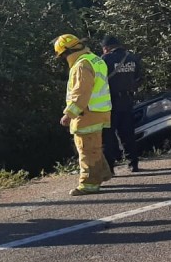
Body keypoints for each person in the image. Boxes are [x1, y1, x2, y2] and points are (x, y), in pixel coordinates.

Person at [53, 34, 113, 196]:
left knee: (86, 149)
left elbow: (81, 93)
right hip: (99, 111)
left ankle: (88, 184)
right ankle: (103, 173)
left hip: (87, 113)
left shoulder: (81, 65)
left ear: (66, 52)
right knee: (93, 146)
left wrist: (69, 114)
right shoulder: (95, 59)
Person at [100, 34, 143, 172]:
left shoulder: (105, 59)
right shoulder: (132, 58)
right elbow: (139, 78)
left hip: (111, 102)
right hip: (128, 100)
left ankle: (110, 168)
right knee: (128, 133)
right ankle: (133, 164)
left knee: (109, 136)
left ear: (106, 48)